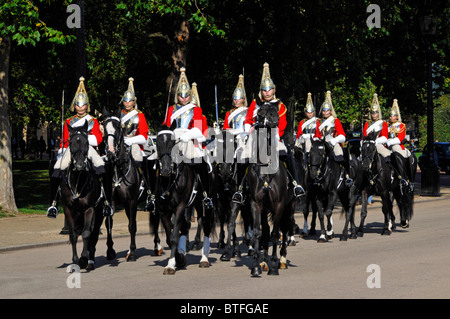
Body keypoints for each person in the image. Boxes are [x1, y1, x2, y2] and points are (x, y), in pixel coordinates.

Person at [47, 77, 110, 218]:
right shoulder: (69, 121)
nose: (80, 108)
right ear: (74, 106)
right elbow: (64, 140)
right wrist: (63, 150)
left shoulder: (92, 120)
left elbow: (98, 138)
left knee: (101, 165)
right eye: (78, 105)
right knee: (58, 165)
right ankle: (53, 203)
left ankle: (106, 200)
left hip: (89, 148)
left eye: (83, 105)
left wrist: (84, 139)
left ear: (87, 106)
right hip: (72, 149)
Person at [242, 62, 304, 198]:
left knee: (286, 152)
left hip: (274, 137)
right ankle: (240, 188)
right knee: (243, 156)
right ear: (261, 91)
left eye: (269, 90)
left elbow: (282, 124)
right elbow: (248, 120)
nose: (267, 92)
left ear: (274, 90)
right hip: (257, 136)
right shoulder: (255, 103)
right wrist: (249, 132)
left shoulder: (280, 106)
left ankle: (295, 183)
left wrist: (275, 136)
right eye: (264, 90)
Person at [163, 67, 213, 209]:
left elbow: (198, 129)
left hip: (189, 140)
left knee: (200, 161)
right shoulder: (171, 110)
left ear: (190, 96)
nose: (184, 98)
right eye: (181, 96)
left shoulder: (195, 109)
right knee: (159, 161)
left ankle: (206, 195)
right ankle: (157, 194)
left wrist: (186, 135)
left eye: (186, 96)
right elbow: (166, 127)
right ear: (177, 95)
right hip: (174, 140)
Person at [314, 90, 352, 185]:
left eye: (327, 110)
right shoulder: (319, 122)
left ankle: (346, 176)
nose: (325, 112)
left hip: (333, 142)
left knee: (339, 154)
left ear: (330, 111)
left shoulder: (335, 121)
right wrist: (316, 139)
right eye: (323, 110)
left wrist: (334, 140)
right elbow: (317, 134)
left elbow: (342, 136)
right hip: (322, 143)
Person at [386, 99, 412, 187]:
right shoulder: (386, 125)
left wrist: (389, 142)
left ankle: (403, 177)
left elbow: (400, 138)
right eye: (390, 116)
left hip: (396, 144)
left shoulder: (401, 125)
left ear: (397, 117)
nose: (391, 117)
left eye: (393, 116)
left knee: (399, 155)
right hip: (385, 145)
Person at [362, 93, 391, 162]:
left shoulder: (383, 123)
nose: (374, 115)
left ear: (378, 113)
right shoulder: (367, 123)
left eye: (375, 113)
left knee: (386, 154)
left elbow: (385, 137)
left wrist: (376, 141)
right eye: (372, 113)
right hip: (367, 143)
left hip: (378, 143)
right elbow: (364, 135)